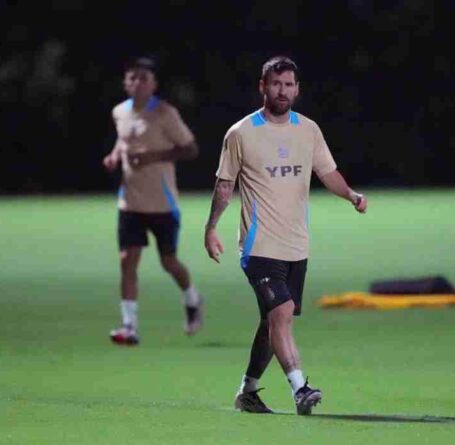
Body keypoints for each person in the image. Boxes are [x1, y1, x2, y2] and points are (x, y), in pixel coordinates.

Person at [204, 56, 368, 415]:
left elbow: (328, 172)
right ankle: (300, 388)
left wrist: (351, 195)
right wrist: (211, 227)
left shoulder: (308, 130)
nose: (282, 91)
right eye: (276, 84)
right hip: (258, 246)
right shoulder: (241, 133)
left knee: (273, 320)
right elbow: (224, 184)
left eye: (289, 85)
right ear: (263, 86)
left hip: (296, 245)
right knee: (282, 310)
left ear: (297, 89)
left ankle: (246, 391)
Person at [102, 57, 204, 345]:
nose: (137, 83)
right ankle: (129, 326)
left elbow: (190, 149)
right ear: (125, 82)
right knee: (127, 261)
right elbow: (124, 140)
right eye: (132, 77)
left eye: (144, 78)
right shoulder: (119, 112)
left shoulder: (164, 113)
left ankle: (193, 299)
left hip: (162, 203)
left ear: (154, 84)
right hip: (130, 202)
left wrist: (152, 157)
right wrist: (114, 156)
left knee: (168, 262)